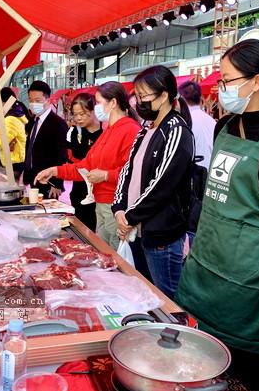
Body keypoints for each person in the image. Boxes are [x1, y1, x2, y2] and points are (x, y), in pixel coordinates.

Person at [174, 39, 259, 391]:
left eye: (228, 81)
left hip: (250, 285)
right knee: (197, 382)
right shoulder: (224, 126)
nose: (222, 89)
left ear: (257, 81)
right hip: (205, 272)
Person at [113, 66, 195, 297]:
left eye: (144, 96)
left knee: (166, 298)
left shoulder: (177, 131)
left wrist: (129, 217)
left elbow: (162, 185)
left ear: (164, 96)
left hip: (161, 234)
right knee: (143, 293)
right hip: (136, 230)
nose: (138, 102)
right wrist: (119, 209)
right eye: (136, 96)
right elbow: (127, 172)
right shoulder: (145, 130)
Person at [35, 82, 140, 249]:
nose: (96, 107)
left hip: (115, 207)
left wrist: (105, 175)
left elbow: (134, 173)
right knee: (105, 254)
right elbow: (85, 166)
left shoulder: (130, 130)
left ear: (113, 103)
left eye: (98, 102)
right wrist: (55, 171)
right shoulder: (110, 130)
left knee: (116, 260)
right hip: (102, 205)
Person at [23, 80, 68, 198]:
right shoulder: (33, 121)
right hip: (34, 178)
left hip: (49, 182)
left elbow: (62, 156)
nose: (33, 104)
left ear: (48, 100)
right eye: (30, 100)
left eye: (37, 101)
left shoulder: (58, 123)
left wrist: (56, 183)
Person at [65, 93, 102, 231]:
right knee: (82, 230)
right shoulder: (73, 132)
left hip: (100, 190)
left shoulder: (105, 131)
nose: (78, 118)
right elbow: (70, 159)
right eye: (75, 114)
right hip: (80, 189)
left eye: (82, 113)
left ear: (93, 110)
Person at [0, 87, 28, 180]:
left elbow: (2, 143)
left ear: (5, 102)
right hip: (12, 163)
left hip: (12, 165)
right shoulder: (11, 115)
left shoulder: (10, 119)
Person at [179, 80, 216, 170]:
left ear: (181, 99)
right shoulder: (212, 121)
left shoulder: (184, 122)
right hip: (211, 174)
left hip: (194, 176)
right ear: (200, 99)